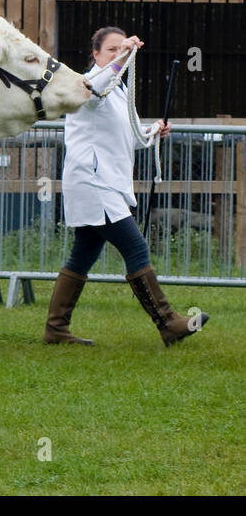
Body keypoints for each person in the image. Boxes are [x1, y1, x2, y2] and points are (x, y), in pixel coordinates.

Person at [43, 27, 209, 347]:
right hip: (94, 183)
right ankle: (168, 323)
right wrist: (121, 59)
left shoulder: (119, 91)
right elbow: (96, 88)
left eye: (122, 49)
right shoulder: (87, 83)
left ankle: (56, 329)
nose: (118, 54)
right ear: (95, 54)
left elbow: (131, 140)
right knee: (136, 249)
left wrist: (152, 132)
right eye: (110, 50)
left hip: (106, 184)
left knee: (81, 257)